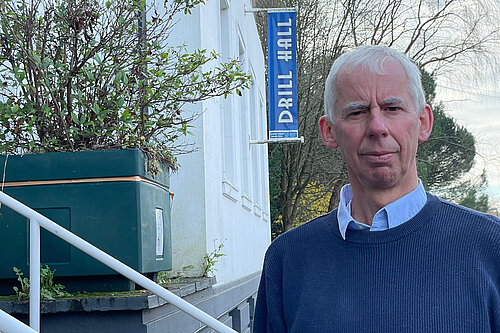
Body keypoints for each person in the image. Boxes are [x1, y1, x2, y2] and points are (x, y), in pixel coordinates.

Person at [253, 45, 500, 332]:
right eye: (357, 112)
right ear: (329, 132)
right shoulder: (288, 259)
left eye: (392, 108)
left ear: (423, 122)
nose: (377, 126)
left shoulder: (490, 247)